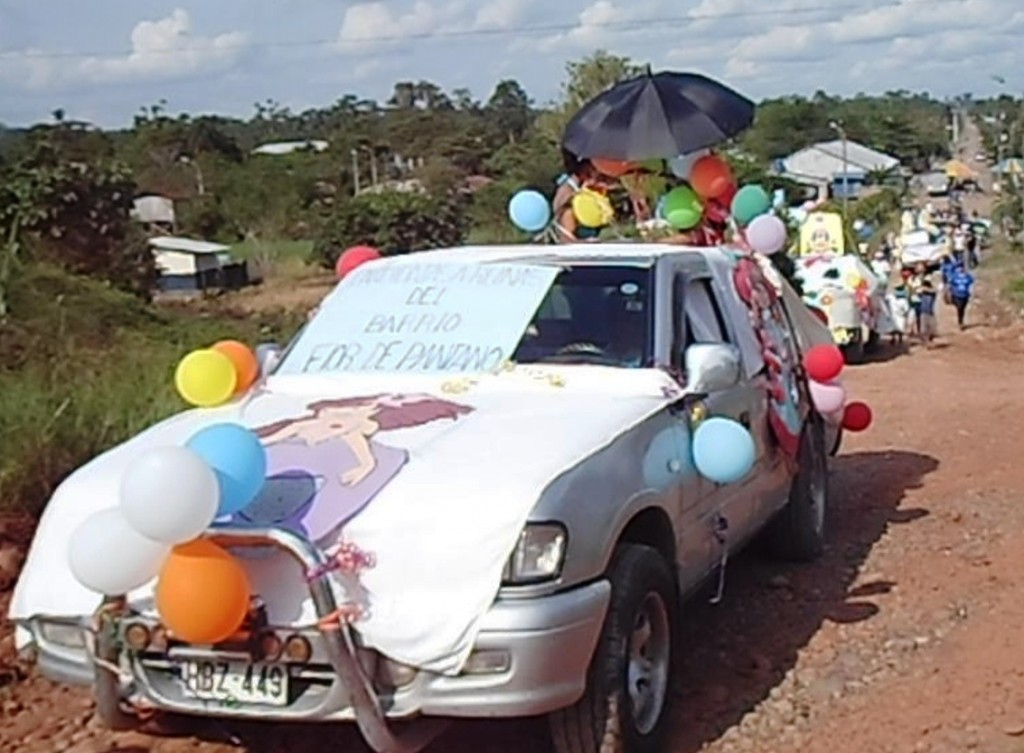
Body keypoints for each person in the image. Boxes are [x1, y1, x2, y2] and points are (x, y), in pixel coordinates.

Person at [948, 263, 975, 330]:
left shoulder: (968, 276)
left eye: (961, 267)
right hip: (957, 295)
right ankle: (960, 322)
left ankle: (961, 320)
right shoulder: (954, 276)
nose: (960, 269)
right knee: (959, 308)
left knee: (962, 308)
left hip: (965, 295)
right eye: (958, 268)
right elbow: (950, 284)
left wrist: (971, 292)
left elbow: (971, 284)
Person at [918, 278, 938, 345]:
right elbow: (918, 291)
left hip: (930, 312)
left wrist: (924, 288)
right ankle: (926, 341)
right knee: (924, 329)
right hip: (924, 312)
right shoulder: (921, 293)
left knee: (932, 330)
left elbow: (933, 291)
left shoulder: (932, 293)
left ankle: (929, 339)